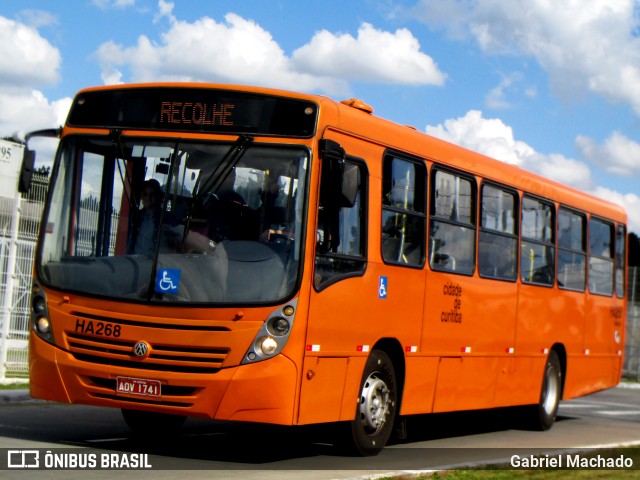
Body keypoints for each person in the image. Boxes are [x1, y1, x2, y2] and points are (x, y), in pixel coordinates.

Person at [127, 179, 164, 255]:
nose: (148, 197)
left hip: (155, 265)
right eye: (145, 194)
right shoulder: (136, 216)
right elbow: (129, 244)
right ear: (142, 197)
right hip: (136, 262)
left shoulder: (166, 218)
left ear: (158, 196)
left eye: (152, 194)